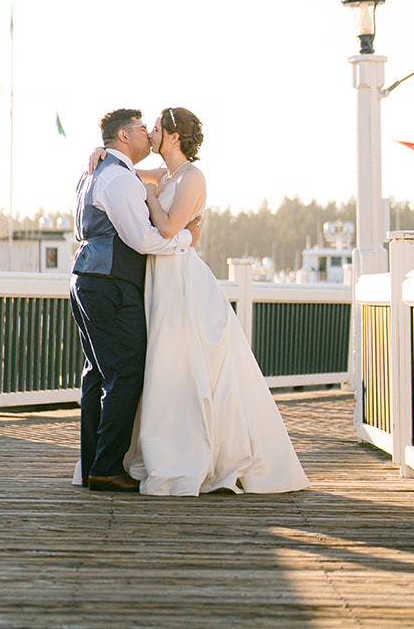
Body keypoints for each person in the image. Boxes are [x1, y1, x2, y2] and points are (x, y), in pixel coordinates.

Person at [93, 106, 309, 497]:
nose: (150, 134)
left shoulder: (192, 178)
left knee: (184, 362)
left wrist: (151, 198)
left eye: (156, 128)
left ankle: (194, 452)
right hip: (158, 276)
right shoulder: (164, 174)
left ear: (174, 136)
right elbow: (118, 169)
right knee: (161, 364)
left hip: (181, 279)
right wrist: (99, 153)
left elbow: (169, 227)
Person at [69, 107, 202, 493]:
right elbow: (142, 239)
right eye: (144, 129)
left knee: (97, 373)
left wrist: (101, 150)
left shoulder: (97, 171)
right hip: (110, 281)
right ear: (125, 137)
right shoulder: (119, 178)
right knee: (125, 370)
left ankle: (96, 463)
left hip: (87, 278)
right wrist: (187, 239)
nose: (149, 134)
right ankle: (107, 466)